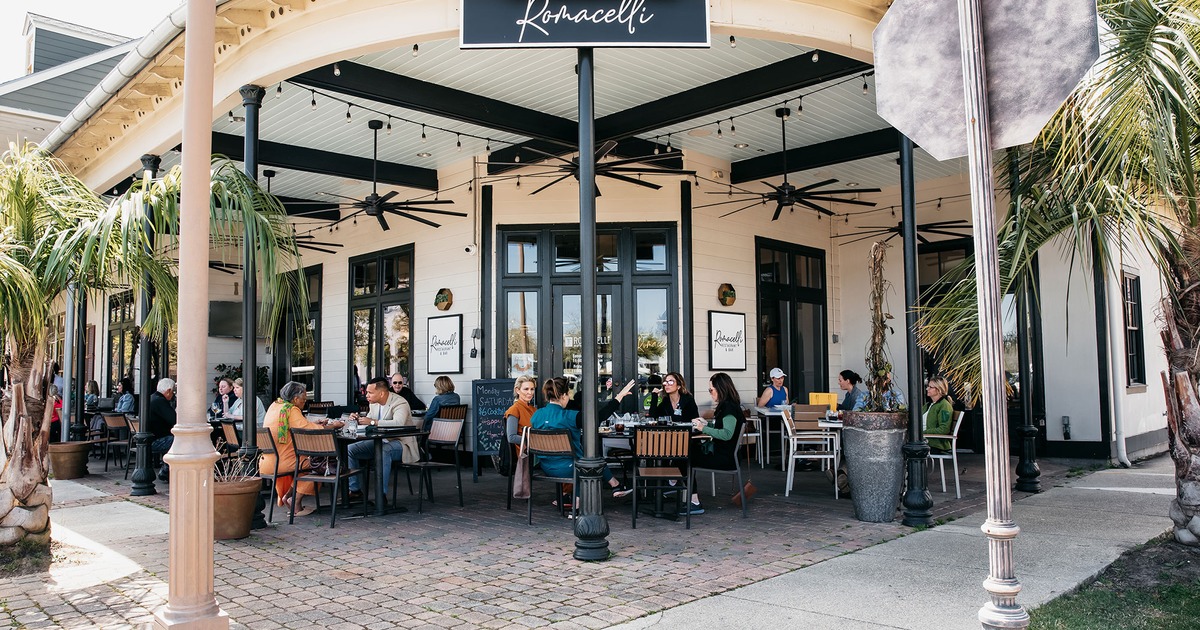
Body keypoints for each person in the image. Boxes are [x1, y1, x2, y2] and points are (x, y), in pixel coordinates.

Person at [530, 376, 635, 505]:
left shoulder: (536, 415)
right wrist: (619, 397)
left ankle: (614, 485)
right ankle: (581, 503)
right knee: (590, 461)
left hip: (546, 466)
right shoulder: (570, 416)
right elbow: (598, 418)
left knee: (584, 462)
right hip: (570, 468)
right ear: (563, 395)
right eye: (568, 395)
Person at [260, 381, 344, 516]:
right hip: (284, 462)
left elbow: (299, 425)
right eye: (304, 399)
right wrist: (333, 426)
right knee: (318, 466)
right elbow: (309, 430)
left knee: (305, 464)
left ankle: (287, 496)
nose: (305, 402)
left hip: (268, 462)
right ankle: (296, 502)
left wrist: (312, 423)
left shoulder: (275, 406)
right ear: (295, 399)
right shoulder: (291, 410)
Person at [682, 372, 744, 516]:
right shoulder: (729, 406)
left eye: (711, 390)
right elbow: (723, 427)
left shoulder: (728, 409)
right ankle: (679, 488)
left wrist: (703, 428)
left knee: (685, 457)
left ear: (720, 389)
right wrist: (707, 423)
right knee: (688, 452)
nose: (710, 393)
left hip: (725, 458)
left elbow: (726, 434)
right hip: (725, 455)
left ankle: (694, 501)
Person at [346, 376, 415, 504]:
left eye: (370, 392)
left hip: (401, 443)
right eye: (367, 392)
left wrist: (373, 422)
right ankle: (355, 491)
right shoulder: (374, 404)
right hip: (380, 442)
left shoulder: (400, 403)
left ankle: (380, 495)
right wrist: (357, 420)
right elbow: (368, 422)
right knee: (351, 449)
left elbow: (398, 423)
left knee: (385, 450)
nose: (366, 395)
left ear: (382, 393)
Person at [147, 378, 177, 481]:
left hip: (149, 439)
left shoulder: (152, 398)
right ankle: (166, 470)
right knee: (182, 440)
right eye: (173, 392)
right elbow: (175, 420)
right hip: (155, 441)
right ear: (168, 391)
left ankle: (166, 469)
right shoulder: (160, 401)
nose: (173, 394)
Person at [505, 376, 538, 452]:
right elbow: (511, 437)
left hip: (535, 450)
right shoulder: (514, 409)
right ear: (517, 390)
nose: (530, 392)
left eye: (532, 389)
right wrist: (536, 440)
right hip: (524, 454)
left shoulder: (534, 409)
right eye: (526, 389)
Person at [923, 376, 955, 452]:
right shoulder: (928, 405)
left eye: (931, 387)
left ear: (939, 390)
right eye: (928, 386)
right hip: (923, 439)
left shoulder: (944, 406)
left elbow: (943, 429)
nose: (927, 389)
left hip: (935, 444)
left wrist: (922, 433)